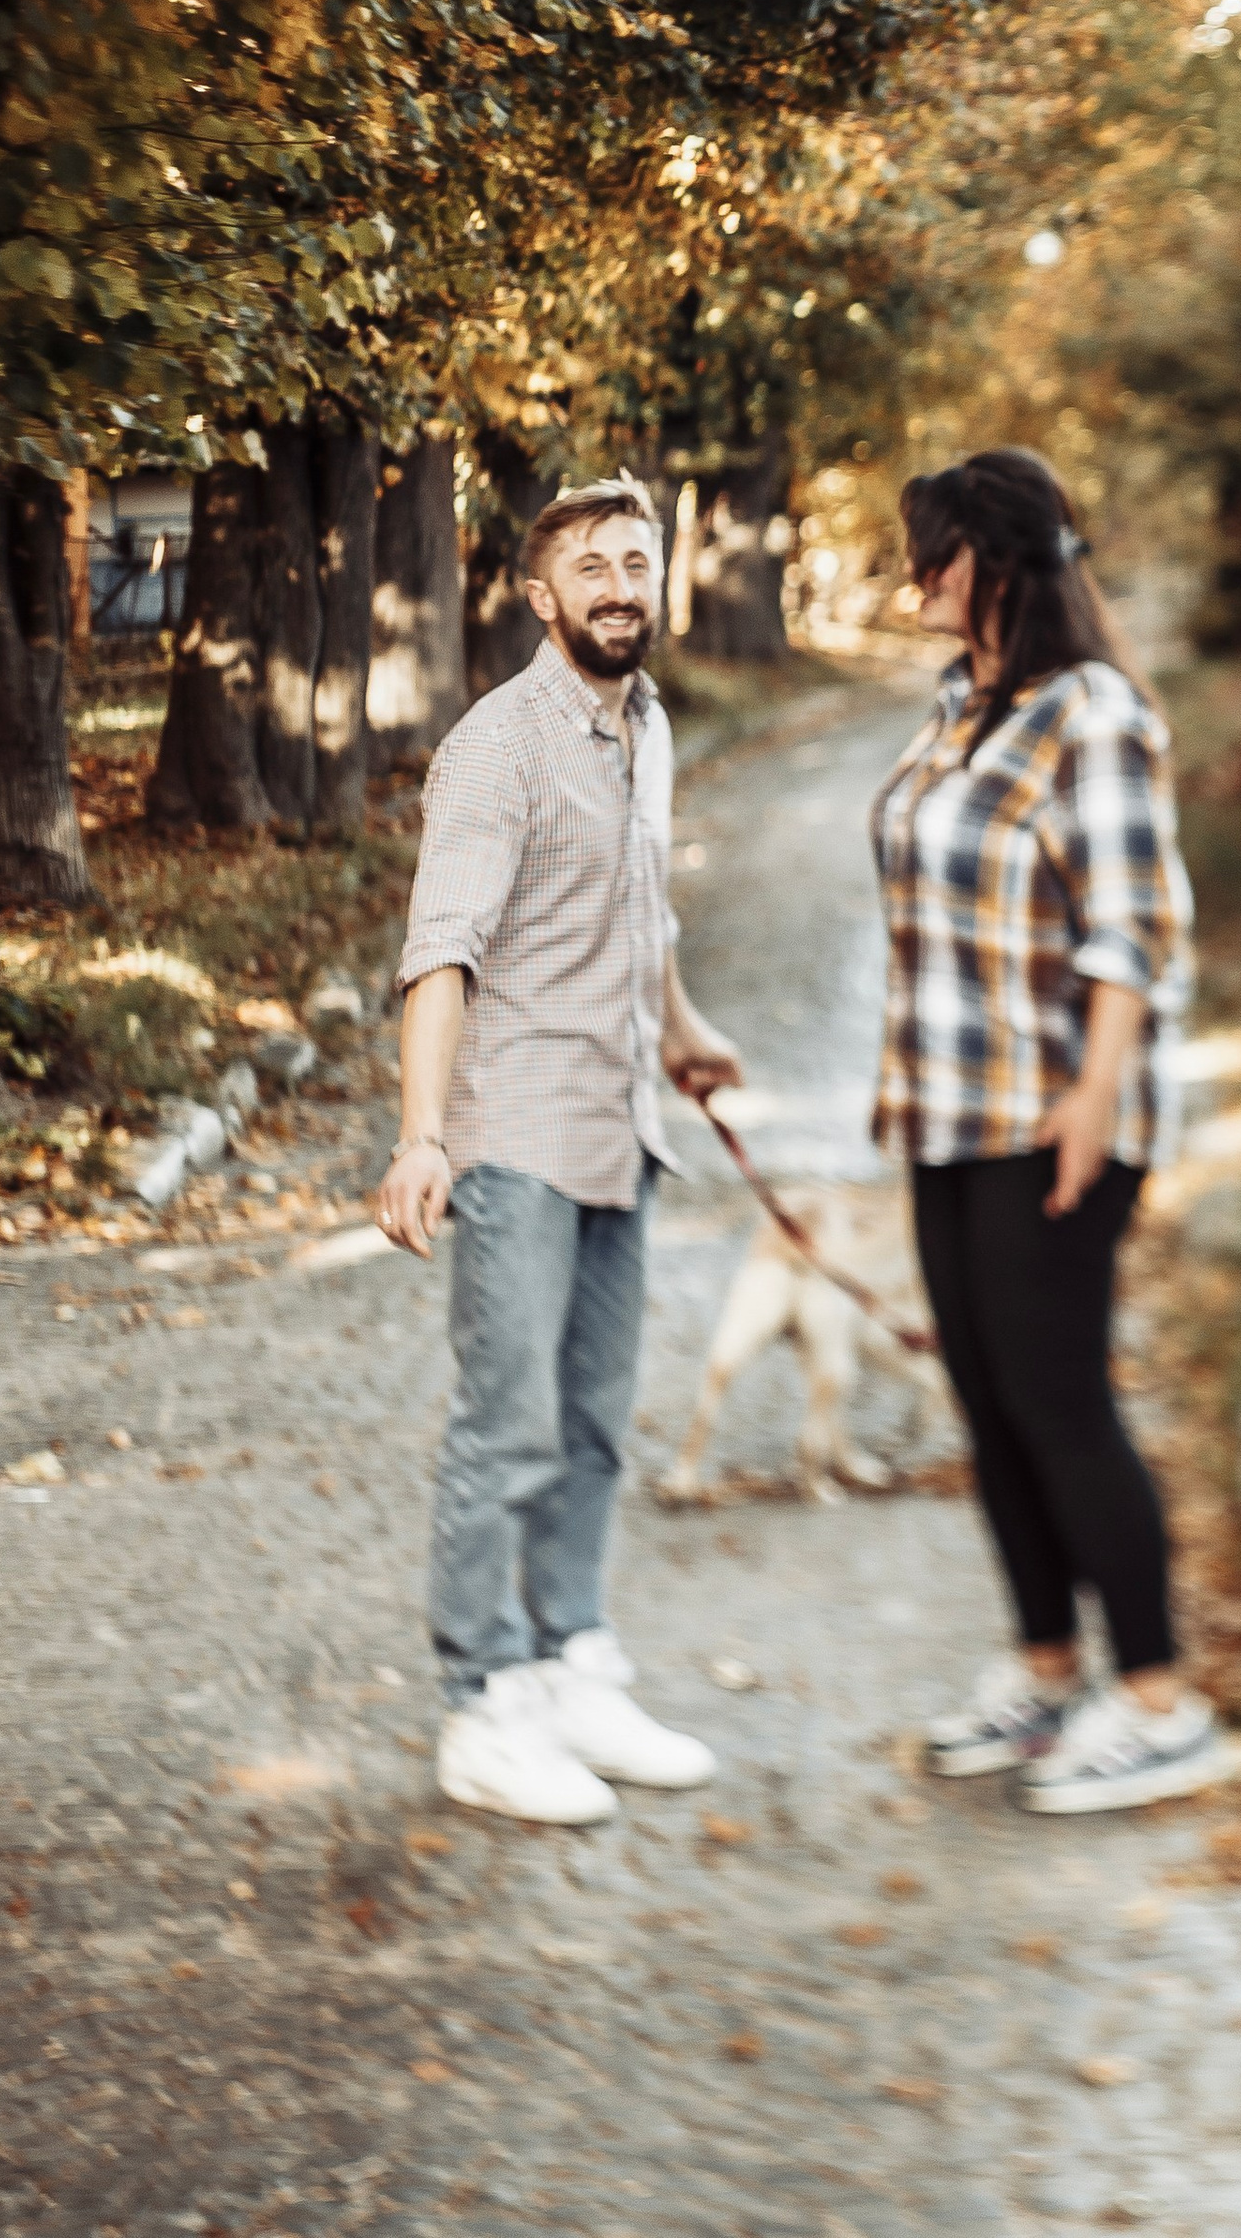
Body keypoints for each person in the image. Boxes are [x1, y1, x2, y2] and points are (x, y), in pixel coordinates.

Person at [377, 478, 746, 1826]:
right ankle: (483, 1703)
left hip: (622, 1123)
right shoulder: (498, 749)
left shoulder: (647, 728)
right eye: (589, 566)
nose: (617, 585)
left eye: (637, 562)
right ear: (541, 597)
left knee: (593, 1421)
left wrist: (686, 1033)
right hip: (518, 1131)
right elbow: (443, 952)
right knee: (509, 1422)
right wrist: (424, 1136)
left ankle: (570, 1658)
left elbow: (639, 922)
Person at [869, 445, 1225, 1813]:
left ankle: (1158, 1699)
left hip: (1054, 1116)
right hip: (946, 1113)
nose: (914, 591)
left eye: (932, 561)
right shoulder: (959, 707)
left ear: (998, 562)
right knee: (989, 1405)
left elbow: (1137, 930)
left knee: (1062, 1402)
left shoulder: (1094, 715)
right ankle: (1043, 1674)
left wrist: (1093, 1107)